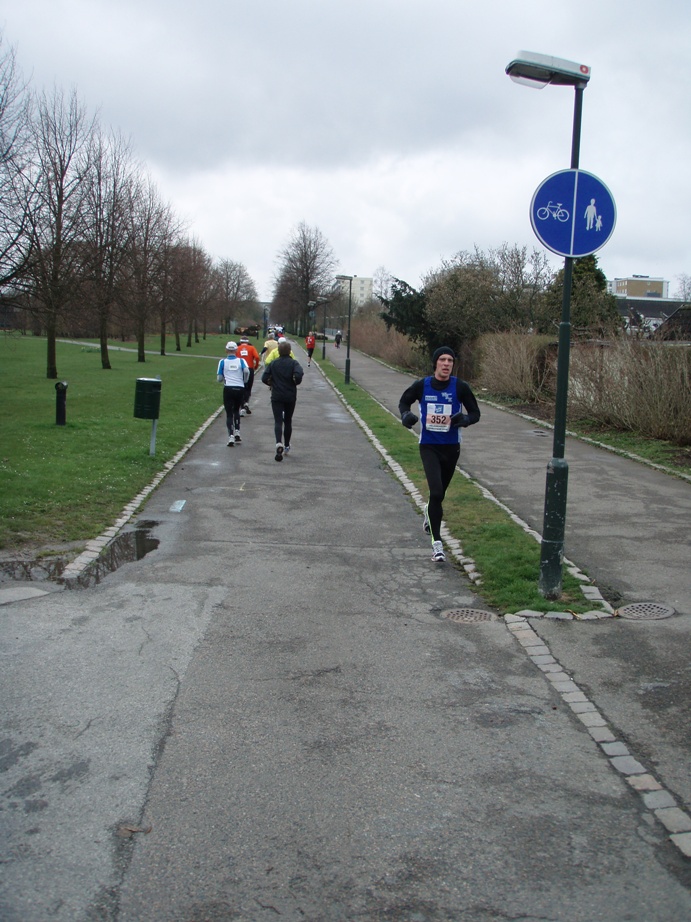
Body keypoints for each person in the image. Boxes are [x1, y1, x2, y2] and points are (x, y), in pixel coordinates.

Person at [398, 346, 480, 562]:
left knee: (439, 495)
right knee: (435, 493)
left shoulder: (460, 387)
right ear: (435, 363)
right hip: (429, 446)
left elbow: (475, 412)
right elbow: (404, 400)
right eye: (442, 360)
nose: (446, 364)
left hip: (451, 448)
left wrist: (466, 419)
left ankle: (429, 512)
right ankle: (437, 545)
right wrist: (405, 415)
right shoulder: (423, 385)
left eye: (450, 361)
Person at [261, 341, 304, 461]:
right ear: (290, 351)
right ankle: (286, 445)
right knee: (288, 420)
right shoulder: (294, 363)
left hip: (277, 395)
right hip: (290, 395)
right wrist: (296, 381)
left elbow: (264, 377)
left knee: (278, 421)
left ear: (278, 351)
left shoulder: (274, 363)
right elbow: (299, 374)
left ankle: (278, 442)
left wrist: (271, 382)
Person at [217, 341, 250, 446]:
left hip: (228, 388)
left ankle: (230, 436)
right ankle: (237, 432)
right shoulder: (241, 361)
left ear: (226, 350)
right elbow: (246, 371)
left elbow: (219, 378)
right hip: (239, 387)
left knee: (229, 413)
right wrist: (244, 380)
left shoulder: (222, 362)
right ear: (236, 350)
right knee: (236, 410)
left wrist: (224, 378)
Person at [236, 335, 260, 414]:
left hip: (240, 369)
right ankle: (246, 402)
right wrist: (256, 365)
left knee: (241, 386)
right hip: (250, 368)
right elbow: (257, 357)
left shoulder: (237, 348)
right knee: (248, 387)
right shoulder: (251, 348)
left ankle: (242, 405)